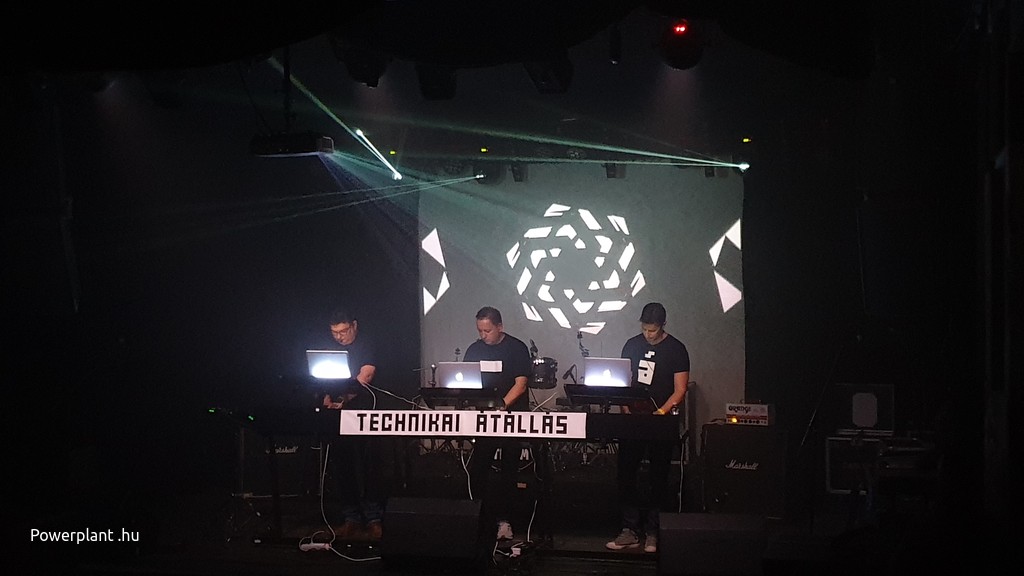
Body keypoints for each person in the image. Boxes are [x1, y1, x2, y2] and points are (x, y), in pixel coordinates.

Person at [606, 302, 689, 554]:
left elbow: (680, 389)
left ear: (663, 326)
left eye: (652, 330)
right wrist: (625, 408)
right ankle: (629, 529)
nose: (648, 334)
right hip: (633, 418)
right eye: (644, 329)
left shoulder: (676, 349)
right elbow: (623, 380)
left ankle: (653, 531)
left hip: (660, 420)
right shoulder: (632, 345)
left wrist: (661, 412)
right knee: (626, 472)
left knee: (658, 475)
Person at [463, 306, 533, 541]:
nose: (483, 335)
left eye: (488, 330)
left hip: (512, 417)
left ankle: (506, 521)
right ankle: (479, 517)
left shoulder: (516, 348)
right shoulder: (474, 350)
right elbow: (467, 381)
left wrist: (502, 405)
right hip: (484, 419)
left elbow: (520, 384)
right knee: (479, 468)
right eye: (480, 331)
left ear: (500, 327)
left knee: (509, 469)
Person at [321, 306, 385, 541]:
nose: (339, 337)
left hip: (365, 414)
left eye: (343, 331)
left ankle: (374, 518)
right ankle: (351, 518)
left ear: (354, 326)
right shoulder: (330, 349)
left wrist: (342, 399)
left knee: (369, 466)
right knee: (343, 466)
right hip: (338, 418)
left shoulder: (366, 345)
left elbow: (365, 376)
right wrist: (325, 397)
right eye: (334, 333)